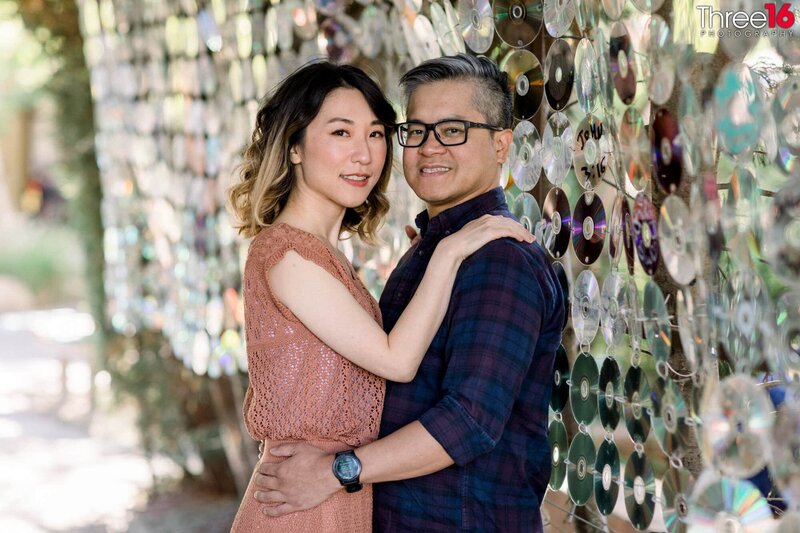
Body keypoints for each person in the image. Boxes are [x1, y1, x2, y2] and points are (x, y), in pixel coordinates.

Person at [252, 54, 565, 532]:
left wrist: (339, 470)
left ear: (502, 145)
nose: (429, 148)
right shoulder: (431, 253)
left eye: (453, 130)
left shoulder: (497, 260)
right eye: (416, 131)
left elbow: (469, 422)